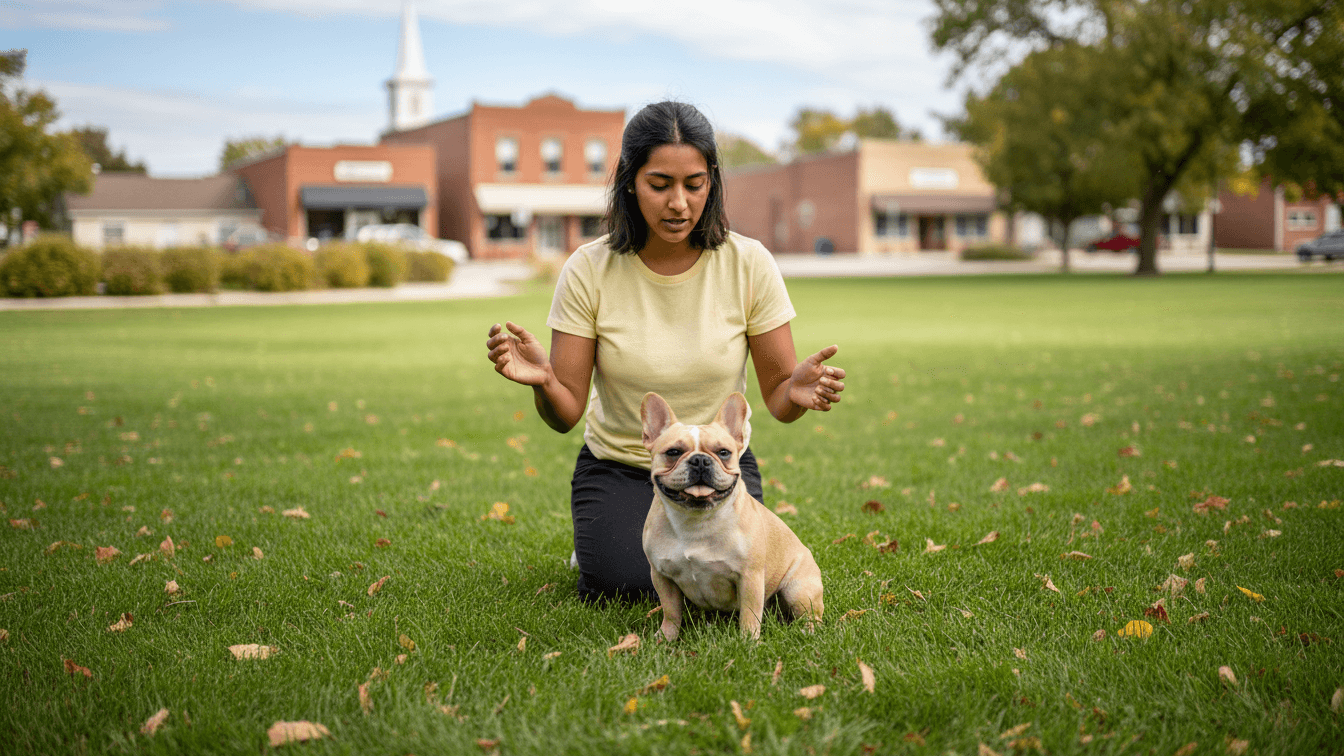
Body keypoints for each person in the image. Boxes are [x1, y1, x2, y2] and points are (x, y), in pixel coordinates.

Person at [485, 101, 846, 600]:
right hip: (620, 465)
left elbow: (780, 401)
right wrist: (546, 382)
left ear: (712, 182)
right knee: (627, 585)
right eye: (660, 185)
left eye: (694, 184)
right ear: (631, 182)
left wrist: (796, 391)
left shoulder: (749, 263)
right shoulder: (589, 269)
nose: (679, 203)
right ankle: (604, 539)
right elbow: (564, 414)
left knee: (730, 583)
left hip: (718, 468)